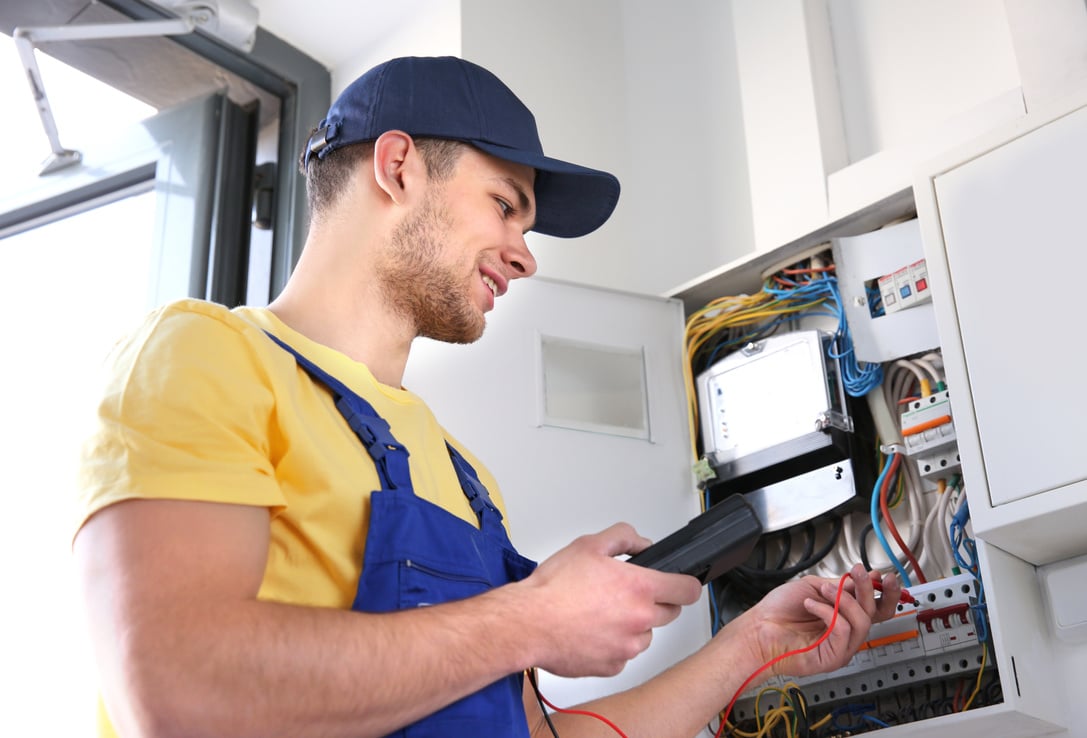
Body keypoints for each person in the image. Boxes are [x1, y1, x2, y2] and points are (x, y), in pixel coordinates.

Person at [73, 55, 901, 738]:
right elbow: (177, 691)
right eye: (505, 207)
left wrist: (751, 646)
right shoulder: (202, 358)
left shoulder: (461, 475)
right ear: (396, 168)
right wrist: (531, 620)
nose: (524, 254)